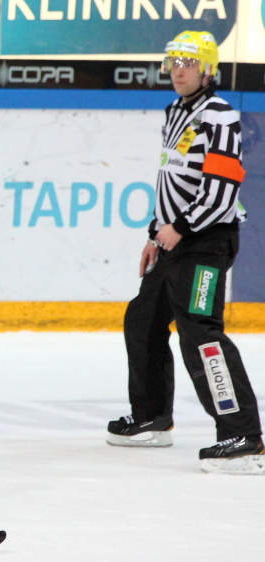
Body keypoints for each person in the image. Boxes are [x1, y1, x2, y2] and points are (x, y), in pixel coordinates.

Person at [107, 31, 264, 474]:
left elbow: (221, 191)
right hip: (175, 239)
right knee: (143, 319)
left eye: (189, 63)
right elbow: (171, 185)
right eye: (173, 61)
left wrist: (179, 228)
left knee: (201, 332)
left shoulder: (217, 116)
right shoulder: (176, 111)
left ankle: (244, 436)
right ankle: (153, 417)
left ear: (207, 69)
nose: (179, 69)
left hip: (205, 243)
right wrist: (156, 234)